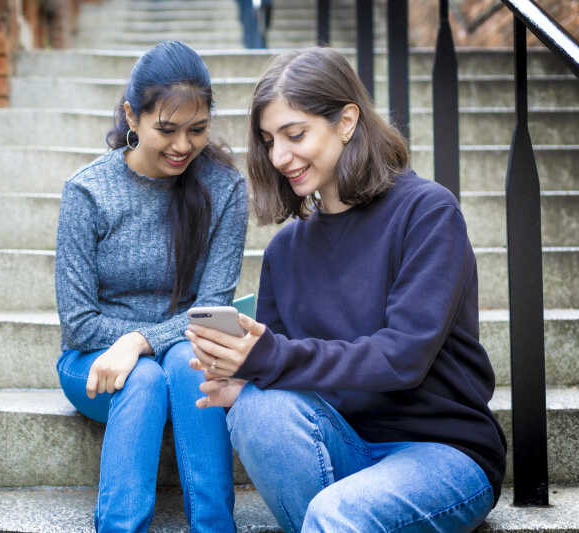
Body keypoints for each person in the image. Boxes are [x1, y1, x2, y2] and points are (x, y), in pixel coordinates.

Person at [184, 47, 507, 533]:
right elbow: (290, 371)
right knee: (260, 409)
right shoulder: (286, 251)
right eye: (269, 140)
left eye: (295, 135)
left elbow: (403, 358)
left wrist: (272, 358)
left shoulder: (426, 213)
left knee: (338, 513)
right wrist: (248, 380)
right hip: (338, 448)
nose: (279, 157)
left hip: (440, 453)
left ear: (347, 121)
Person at [55, 41, 248, 533]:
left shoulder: (224, 190)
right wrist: (129, 350)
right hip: (92, 361)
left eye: (197, 129)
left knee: (188, 362)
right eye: (166, 129)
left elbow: (212, 312)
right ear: (131, 117)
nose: (183, 146)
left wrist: (141, 341)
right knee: (139, 379)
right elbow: (78, 323)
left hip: (187, 349)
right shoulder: (88, 192)